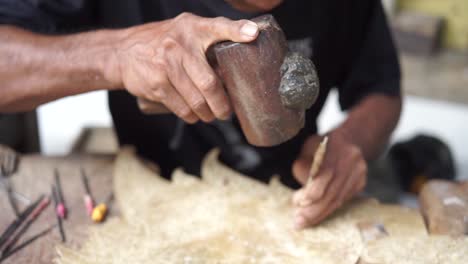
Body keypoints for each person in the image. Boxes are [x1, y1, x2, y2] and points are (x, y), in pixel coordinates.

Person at [0, 0, 401, 229]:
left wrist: (351, 144)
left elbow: (382, 90)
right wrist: (116, 55)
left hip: (291, 201)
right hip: (152, 196)